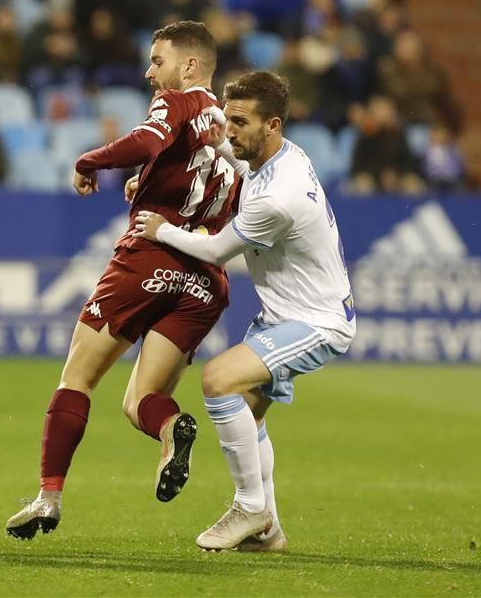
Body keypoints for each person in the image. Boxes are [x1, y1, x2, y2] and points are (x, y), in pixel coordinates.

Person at [5, 21, 242, 540]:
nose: (149, 72)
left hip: (149, 259)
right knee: (142, 402)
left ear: (190, 67)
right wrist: (151, 181)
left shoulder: (179, 103)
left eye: (158, 61)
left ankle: (48, 498)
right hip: (206, 279)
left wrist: (90, 159)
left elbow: (145, 138)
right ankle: (169, 431)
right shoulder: (231, 130)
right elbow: (222, 197)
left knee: (77, 379)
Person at [133, 71, 356, 552]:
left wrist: (161, 228)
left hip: (317, 322)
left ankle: (251, 507)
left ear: (272, 125)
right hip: (286, 313)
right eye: (228, 119)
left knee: (217, 380)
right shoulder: (280, 156)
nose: (229, 131)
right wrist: (211, 133)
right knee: (247, 415)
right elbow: (232, 151)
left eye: (240, 122)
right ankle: (269, 530)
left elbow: (215, 252)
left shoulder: (278, 198)